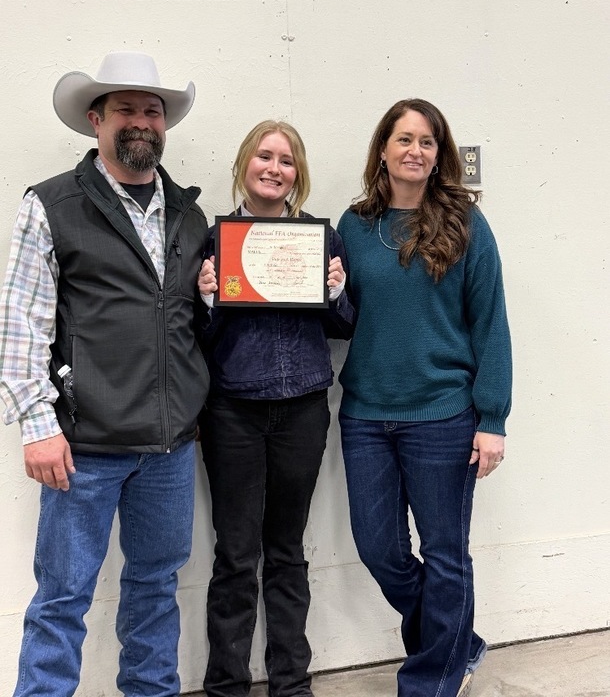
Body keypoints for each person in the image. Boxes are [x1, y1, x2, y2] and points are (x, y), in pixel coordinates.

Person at [0, 51, 210, 697]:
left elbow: (184, 321)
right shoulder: (51, 206)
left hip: (169, 449)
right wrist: (38, 426)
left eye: (153, 111)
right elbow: (19, 325)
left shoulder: (189, 215)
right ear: (96, 120)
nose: (142, 121)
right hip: (83, 448)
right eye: (126, 109)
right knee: (63, 597)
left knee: (154, 590)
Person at [336, 99, 512, 697]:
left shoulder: (465, 222)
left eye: (428, 142)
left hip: (442, 414)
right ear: (382, 149)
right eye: (404, 138)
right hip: (364, 414)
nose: (416, 150)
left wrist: (492, 417)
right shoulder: (354, 225)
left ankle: (432, 678)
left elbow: (490, 322)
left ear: (439, 156)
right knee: (379, 548)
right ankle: (456, 642)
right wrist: (331, 297)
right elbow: (346, 320)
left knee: (444, 554)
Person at [197, 120, 354, 697]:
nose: (274, 168)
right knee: (236, 555)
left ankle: (291, 684)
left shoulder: (322, 238)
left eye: (286, 161)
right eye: (264, 156)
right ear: (244, 163)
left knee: (287, 551)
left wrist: (336, 290)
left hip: (303, 410)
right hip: (233, 411)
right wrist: (208, 300)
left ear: (298, 173)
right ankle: (227, 687)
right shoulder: (214, 241)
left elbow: (344, 326)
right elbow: (197, 337)